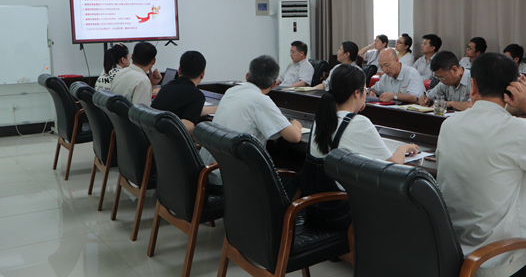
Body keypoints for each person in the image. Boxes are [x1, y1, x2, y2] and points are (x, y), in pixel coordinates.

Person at [436, 52, 526, 277]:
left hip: (453, 255)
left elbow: (490, 169)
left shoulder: (450, 125)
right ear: (512, 88)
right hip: (495, 262)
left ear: (473, 85)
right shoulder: (518, 130)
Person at [300, 64, 418, 228]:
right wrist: (404, 148)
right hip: (341, 213)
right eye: (365, 90)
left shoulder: (322, 118)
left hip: (314, 209)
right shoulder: (360, 123)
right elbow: (395, 165)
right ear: (357, 93)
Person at [200, 55, 303, 188]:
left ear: (247, 76)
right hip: (233, 180)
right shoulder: (261, 100)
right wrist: (296, 125)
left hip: (208, 171)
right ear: (273, 84)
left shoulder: (231, 91)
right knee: (296, 179)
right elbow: (294, 137)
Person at [152, 51, 218, 135]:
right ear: (202, 74)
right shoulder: (197, 95)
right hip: (169, 140)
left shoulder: (166, 87)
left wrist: (215, 109)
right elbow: (187, 128)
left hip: (153, 137)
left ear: (179, 70)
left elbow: (193, 110)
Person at [110, 42, 161, 106]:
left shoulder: (121, 72)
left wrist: (152, 84)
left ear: (132, 56)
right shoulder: (143, 80)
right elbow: (141, 111)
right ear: (153, 61)